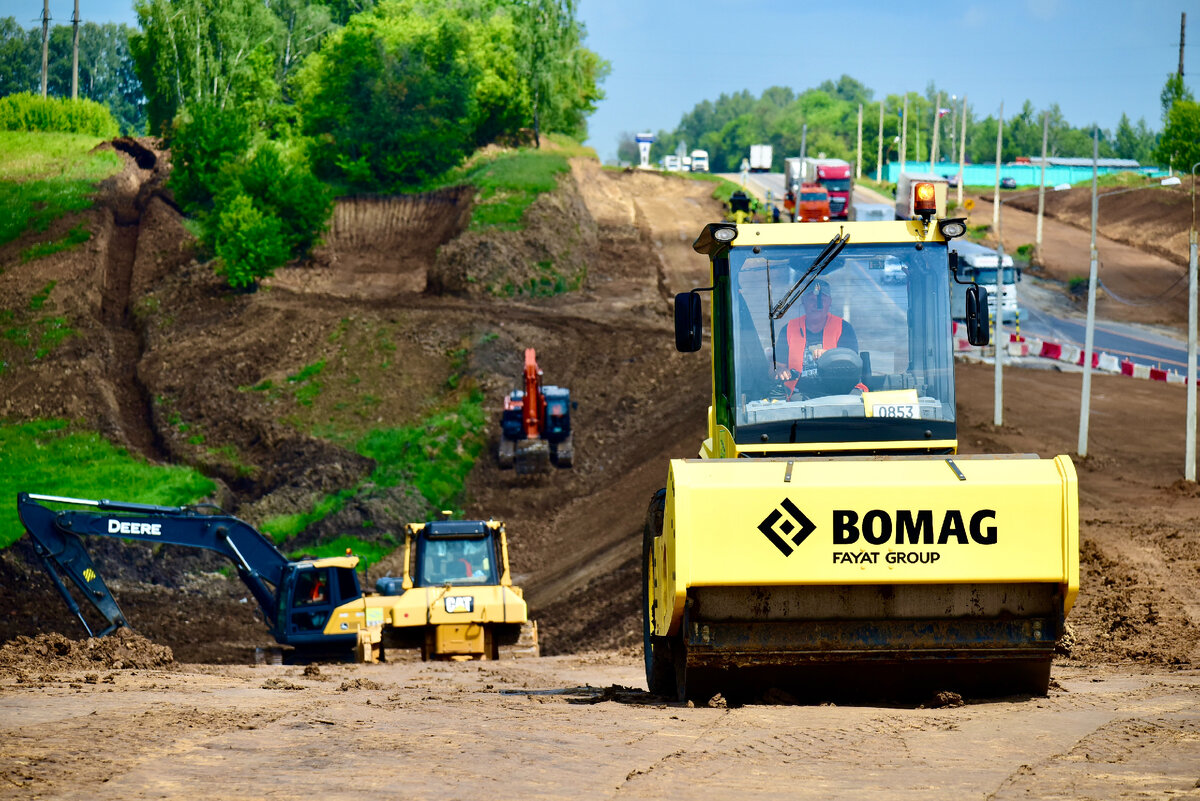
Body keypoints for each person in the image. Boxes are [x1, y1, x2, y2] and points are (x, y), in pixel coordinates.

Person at [775, 278, 859, 390]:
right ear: (803, 302)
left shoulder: (844, 328)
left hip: (838, 392)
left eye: (821, 300)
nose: (816, 305)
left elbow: (852, 368)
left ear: (830, 302)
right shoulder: (788, 329)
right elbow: (775, 368)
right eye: (811, 300)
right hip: (797, 395)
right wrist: (780, 371)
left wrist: (830, 357)